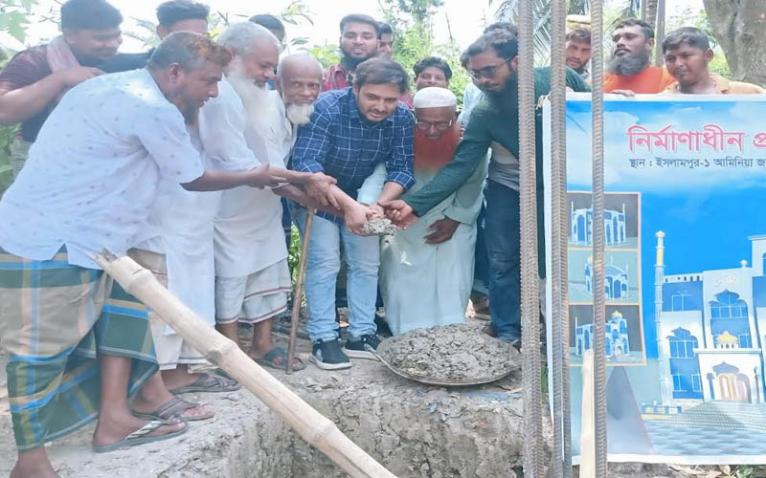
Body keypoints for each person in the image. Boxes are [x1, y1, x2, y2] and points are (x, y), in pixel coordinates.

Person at [0, 32, 296, 478]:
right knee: (40, 352)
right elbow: (192, 177)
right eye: (209, 81)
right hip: (51, 239)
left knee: (125, 318)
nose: (214, 92)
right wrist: (259, 175)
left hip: (101, 241)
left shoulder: (105, 86)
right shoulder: (152, 108)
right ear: (175, 72)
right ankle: (31, 460)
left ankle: (115, 420)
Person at [384, 29, 590, 345]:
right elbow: (462, 166)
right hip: (508, 186)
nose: (482, 80)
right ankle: (508, 330)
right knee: (502, 256)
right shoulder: (484, 112)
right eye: (476, 74)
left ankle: (560, 339)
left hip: (560, 187)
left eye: (489, 71)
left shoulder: (559, 77)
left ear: (517, 61)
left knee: (553, 259)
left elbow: (593, 111)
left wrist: (616, 102)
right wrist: (414, 205)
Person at [211, 24, 331, 370]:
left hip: (263, 210)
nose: (306, 92)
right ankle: (230, 352)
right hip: (230, 210)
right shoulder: (237, 98)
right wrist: (307, 193)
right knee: (232, 277)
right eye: (295, 83)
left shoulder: (286, 110)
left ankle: (263, 345)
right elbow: (268, 173)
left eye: (314, 86)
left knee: (270, 273)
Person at [292, 57, 415, 370]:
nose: (381, 106)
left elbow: (402, 167)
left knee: (366, 263)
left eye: (390, 99)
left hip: (365, 198)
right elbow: (306, 165)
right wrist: (349, 206)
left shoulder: (402, 117)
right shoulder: (327, 108)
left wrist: (378, 204)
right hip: (318, 198)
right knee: (325, 261)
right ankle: (324, 337)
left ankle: (361, 333)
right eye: (372, 97)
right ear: (355, 88)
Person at [378, 87, 485, 335]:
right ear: (414, 116)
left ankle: (449, 336)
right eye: (424, 124)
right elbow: (388, 174)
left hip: (455, 219)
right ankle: (405, 336)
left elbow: (473, 181)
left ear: (455, 116)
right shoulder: (400, 138)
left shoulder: (468, 141)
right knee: (403, 278)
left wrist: (456, 218)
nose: (433, 131)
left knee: (452, 278)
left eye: (441, 124)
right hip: (405, 221)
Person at [0, 0, 123, 177]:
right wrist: (60, 79)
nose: (113, 44)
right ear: (70, 35)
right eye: (101, 38)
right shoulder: (35, 60)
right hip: (40, 160)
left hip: (100, 162)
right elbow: (4, 111)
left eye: (117, 35)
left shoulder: (123, 63)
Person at [100, 0, 209, 73]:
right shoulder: (122, 67)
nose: (198, 44)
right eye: (187, 36)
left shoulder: (210, 73)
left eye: (203, 37)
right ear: (162, 32)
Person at [662, 27, 764, 95]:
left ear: (708, 55)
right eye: (670, 59)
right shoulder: (660, 103)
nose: (678, 64)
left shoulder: (748, 93)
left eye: (686, 56)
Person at [603, 18, 675, 94]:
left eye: (629, 37)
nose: (619, 43)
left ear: (649, 44)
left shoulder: (668, 79)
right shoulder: (599, 82)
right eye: (616, 39)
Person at [322, 14, 380, 91]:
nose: (358, 41)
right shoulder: (323, 79)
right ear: (340, 41)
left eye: (366, 37)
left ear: (378, 44)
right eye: (350, 36)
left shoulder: (392, 78)